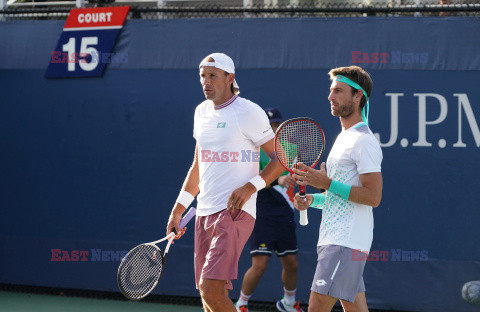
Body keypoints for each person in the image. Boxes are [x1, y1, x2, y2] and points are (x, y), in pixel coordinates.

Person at [166, 52, 285, 312]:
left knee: (210, 290)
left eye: (212, 76)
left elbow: (280, 159)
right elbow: (198, 165)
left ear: (230, 78)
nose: (205, 82)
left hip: (235, 212)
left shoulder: (249, 112)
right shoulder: (201, 112)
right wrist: (178, 209)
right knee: (209, 296)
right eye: (202, 76)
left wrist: (251, 186)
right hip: (204, 214)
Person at [292, 66, 383, 312]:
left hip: (345, 241)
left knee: (317, 306)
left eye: (338, 91)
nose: (330, 97)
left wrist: (326, 183)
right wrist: (313, 199)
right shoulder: (343, 138)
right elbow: (337, 195)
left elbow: (373, 197)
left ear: (358, 96)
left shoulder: (364, 141)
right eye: (331, 90)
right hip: (337, 239)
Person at [235, 108, 304, 312]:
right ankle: (241, 305)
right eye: (270, 125)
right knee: (260, 265)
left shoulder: (292, 149)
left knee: (292, 263)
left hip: (285, 213)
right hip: (262, 212)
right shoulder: (255, 149)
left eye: (277, 125)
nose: (274, 129)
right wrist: (278, 180)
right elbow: (252, 181)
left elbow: (298, 176)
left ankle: (288, 304)